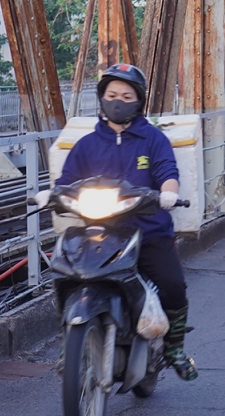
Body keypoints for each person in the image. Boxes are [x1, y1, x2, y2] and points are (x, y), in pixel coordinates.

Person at [57, 63, 198, 381]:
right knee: (65, 274)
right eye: (111, 94)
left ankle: (175, 347)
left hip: (147, 231)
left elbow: (167, 174)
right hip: (99, 231)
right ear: (102, 98)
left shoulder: (153, 139)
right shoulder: (86, 144)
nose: (117, 101)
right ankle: (69, 343)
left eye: (126, 95)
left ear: (138, 101)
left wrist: (168, 194)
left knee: (174, 286)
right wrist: (48, 196)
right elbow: (65, 181)